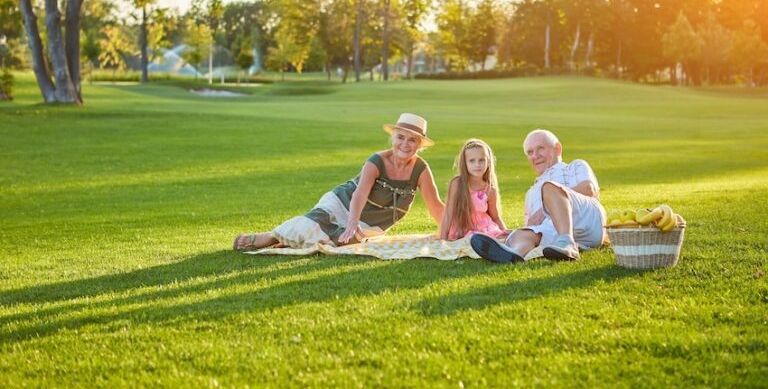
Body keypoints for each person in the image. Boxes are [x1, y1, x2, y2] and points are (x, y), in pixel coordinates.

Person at [233, 113, 445, 250]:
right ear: (393, 138)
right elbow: (359, 194)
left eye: (412, 140)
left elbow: (435, 205)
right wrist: (352, 222)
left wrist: (452, 228)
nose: (405, 144)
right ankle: (270, 237)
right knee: (314, 223)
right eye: (401, 137)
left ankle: (288, 242)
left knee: (345, 243)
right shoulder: (376, 161)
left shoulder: (421, 169)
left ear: (419, 145)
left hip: (373, 222)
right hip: (344, 203)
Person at [470, 129, 606, 262]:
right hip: (553, 231)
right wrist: (513, 232)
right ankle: (514, 254)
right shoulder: (531, 193)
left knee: (549, 187)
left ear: (557, 148)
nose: (535, 155)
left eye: (540, 148)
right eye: (530, 152)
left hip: (585, 219)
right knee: (522, 234)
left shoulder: (574, 166)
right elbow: (533, 225)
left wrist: (545, 209)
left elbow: (589, 189)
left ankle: (567, 243)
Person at [440, 139, 508, 241]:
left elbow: (496, 217)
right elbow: (448, 214)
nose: (477, 164)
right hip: (463, 228)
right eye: (472, 161)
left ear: (488, 162)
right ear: (465, 163)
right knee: (473, 239)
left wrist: (506, 233)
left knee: (501, 237)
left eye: (482, 160)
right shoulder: (457, 184)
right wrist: (443, 240)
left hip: (484, 228)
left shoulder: (490, 191)